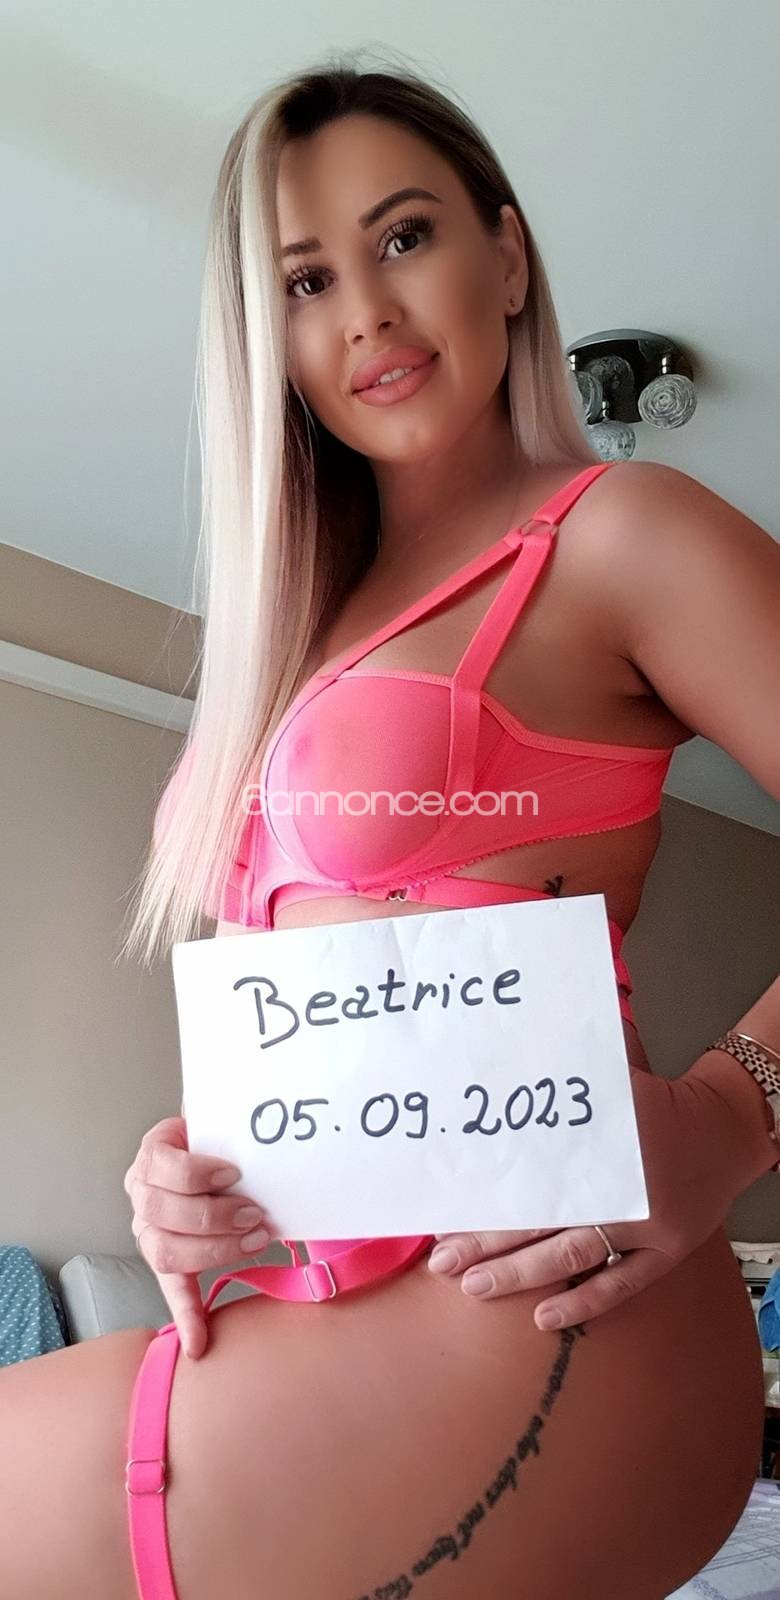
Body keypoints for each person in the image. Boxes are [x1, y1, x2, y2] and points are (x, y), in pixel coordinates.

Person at [1, 51, 779, 1600]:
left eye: (404, 236)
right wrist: (192, 1178)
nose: (364, 310)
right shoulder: (291, 639)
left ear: (508, 256)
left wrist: (728, 1117)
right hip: (316, 1315)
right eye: (305, 279)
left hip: (546, 1317)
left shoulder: (620, 533)